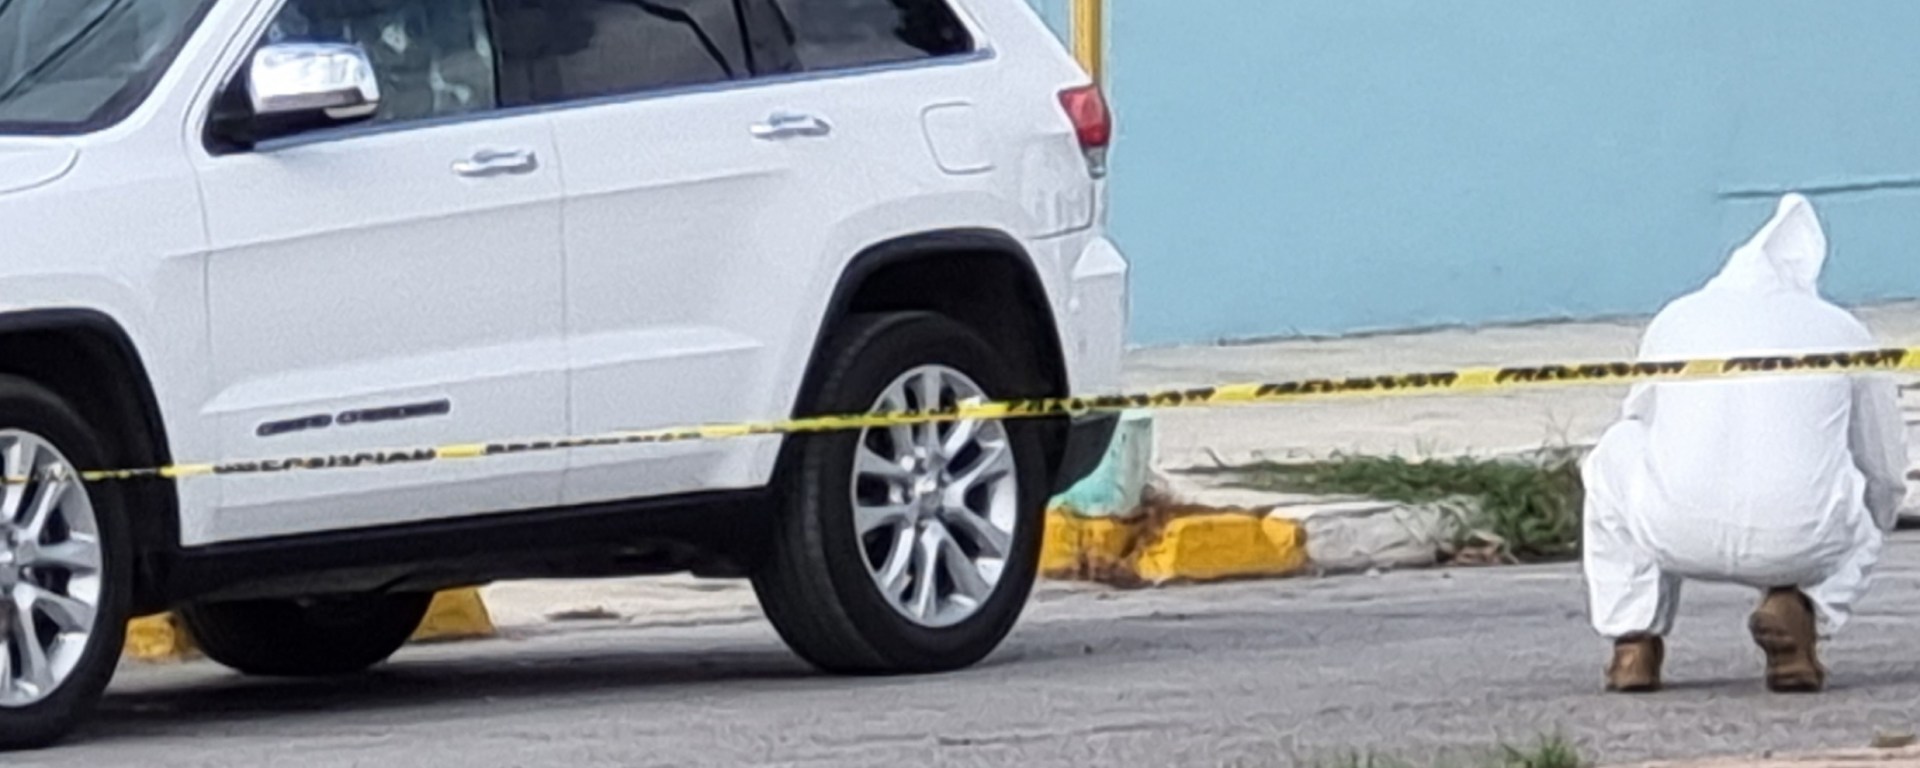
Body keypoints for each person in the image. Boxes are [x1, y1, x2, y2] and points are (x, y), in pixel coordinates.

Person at [1581, 192, 1909, 694]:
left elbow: (1641, 416)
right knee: (1866, 491)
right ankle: (1801, 608)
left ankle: (1633, 643)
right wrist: (1867, 527)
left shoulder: (1677, 319)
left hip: (1673, 530)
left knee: (1617, 450)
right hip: (1801, 538)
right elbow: (1884, 465)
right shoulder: (1841, 329)